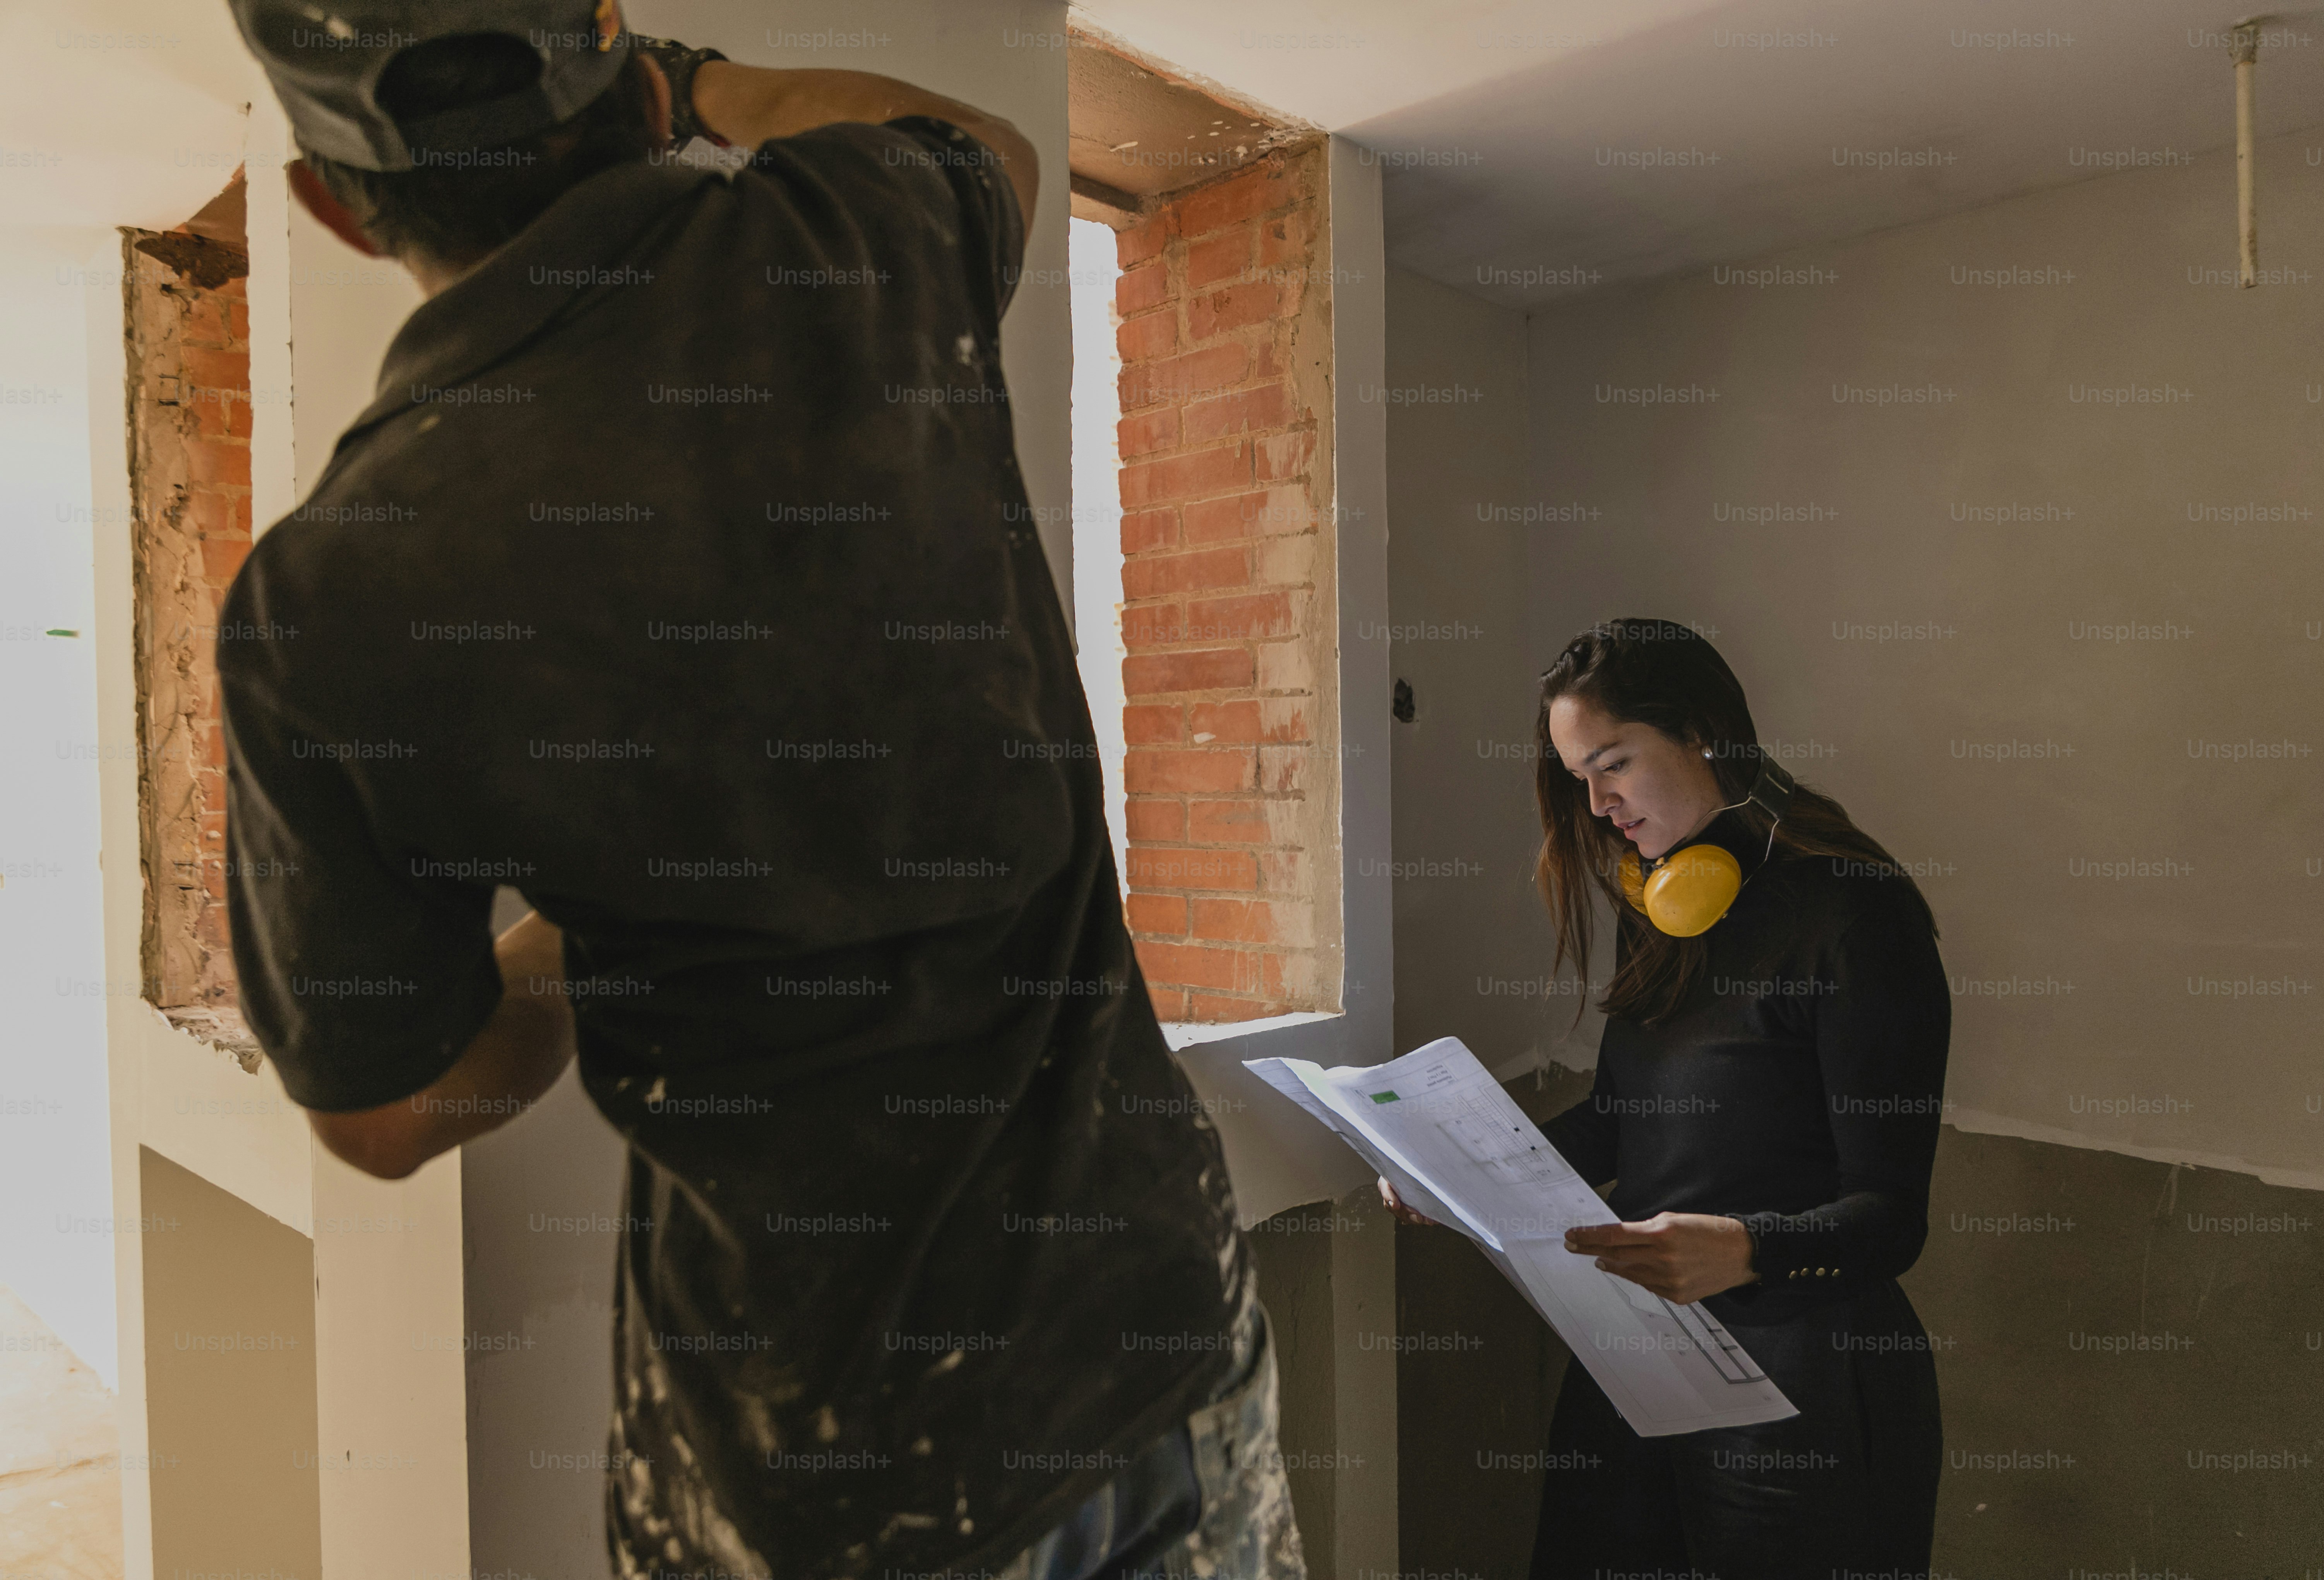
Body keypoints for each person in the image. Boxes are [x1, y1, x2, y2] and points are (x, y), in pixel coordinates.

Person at [216, 3, 1303, 1577]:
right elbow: (987, 148)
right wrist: (697, 78)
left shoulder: (329, 594)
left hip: (830, 1465)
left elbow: (383, 1113)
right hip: (1148, 1339)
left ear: (329, 200)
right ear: (627, 81)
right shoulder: (859, 244)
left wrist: (598, 937)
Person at [1382, 617, 1948, 1577]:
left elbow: (1891, 1219)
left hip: (1804, 1383)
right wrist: (1461, 1173)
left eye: (1613, 765)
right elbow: (1618, 1120)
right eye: (1579, 778)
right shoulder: (1666, 905)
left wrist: (1746, 1248)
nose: (1597, 804)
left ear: (1703, 734)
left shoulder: (1857, 915)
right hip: (1640, 1353)